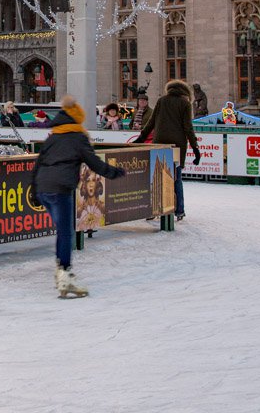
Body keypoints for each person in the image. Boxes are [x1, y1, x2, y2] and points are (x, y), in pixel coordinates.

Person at [27, 96, 124, 298]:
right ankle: (64, 274)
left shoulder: (53, 137)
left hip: (45, 187)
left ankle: (62, 270)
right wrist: (115, 172)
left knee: (63, 231)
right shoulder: (78, 138)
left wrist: (35, 190)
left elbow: (38, 164)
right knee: (65, 232)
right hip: (61, 188)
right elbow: (94, 163)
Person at [138, 79, 200, 217]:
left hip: (159, 143)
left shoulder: (161, 101)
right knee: (176, 178)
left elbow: (151, 123)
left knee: (156, 175)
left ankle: (153, 209)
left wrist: (141, 138)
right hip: (177, 146)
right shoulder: (185, 103)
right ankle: (179, 210)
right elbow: (188, 128)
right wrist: (195, 147)